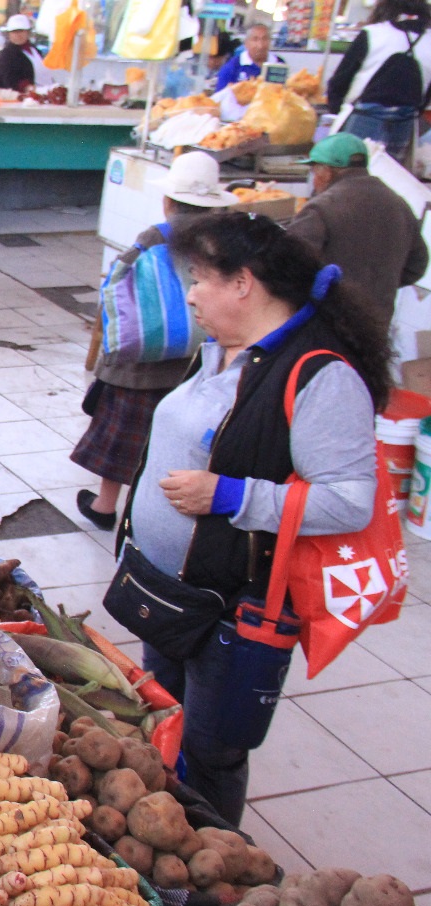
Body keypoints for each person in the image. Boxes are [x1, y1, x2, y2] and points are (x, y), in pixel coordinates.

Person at [119, 212, 390, 826]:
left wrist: (231, 497)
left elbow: (351, 500)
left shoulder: (321, 377)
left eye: (198, 277)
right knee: (160, 720)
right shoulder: (221, 350)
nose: (189, 293)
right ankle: (167, 831)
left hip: (234, 611)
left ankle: (213, 855)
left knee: (212, 752)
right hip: (170, 595)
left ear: (243, 283)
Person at [72, 153, 237, 531]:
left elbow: (117, 286)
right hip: (194, 364)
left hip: (139, 368)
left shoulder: (153, 238)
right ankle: (151, 512)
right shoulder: (225, 242)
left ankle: (104, 505)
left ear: (168, 201)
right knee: (171, 443)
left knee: (119, 439)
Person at [287, 132, 429, 318]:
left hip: (328, 321)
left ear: (327, 172)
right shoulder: (398, 204)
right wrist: (379, 285)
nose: (314, 181)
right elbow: (417, 265)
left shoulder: (321, 208)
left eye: (314, 172)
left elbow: (288, 264)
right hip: (377, 323)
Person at [327, 0, 431, 161]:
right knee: (388, 176)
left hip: (363, 116)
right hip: (405, 120)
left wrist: (337, 109)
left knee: (350, 171)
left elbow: (340, 80)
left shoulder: (373, 33)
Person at [0, 14, 49, 92]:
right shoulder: (6, 55)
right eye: (14, 32)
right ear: (9, 34)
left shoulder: (35, 50)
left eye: (21, 31)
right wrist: (26, 87)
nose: (18, 35)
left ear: (27, 32)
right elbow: (8, 80)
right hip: (19, 98)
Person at [214, 23, 271, 90]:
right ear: (246, 43)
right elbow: (220, 96)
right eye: (255, 39)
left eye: (265, 39)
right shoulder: (232, 67)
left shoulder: (279, 63)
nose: (260, 45)